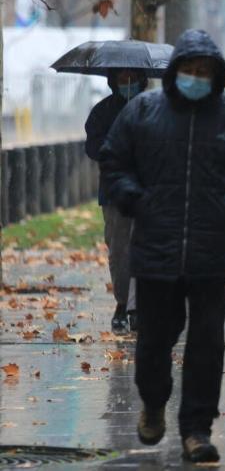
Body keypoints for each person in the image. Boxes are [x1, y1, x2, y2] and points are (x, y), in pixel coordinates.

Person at [101, 29, 225, 462]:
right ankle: (154, 402)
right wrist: (135, 200)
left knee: (206, 343)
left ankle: (196, 429)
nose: (196, 77)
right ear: (175, 71)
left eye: (204, 72)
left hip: (211, 251)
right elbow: (113, 159)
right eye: (189, 70)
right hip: (156, 249)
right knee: (155, 339)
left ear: (216, 76)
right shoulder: (143, 111)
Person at [85, 68, 148, 334]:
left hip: (148, 191)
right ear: (113, 80)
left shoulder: (154, 108)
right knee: (119, 250)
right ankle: (123, 303)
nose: (128, 82)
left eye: (133, 76)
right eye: (123, 77)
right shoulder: (102, 112)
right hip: (114, 193)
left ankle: (140, 306)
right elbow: (93, 147)